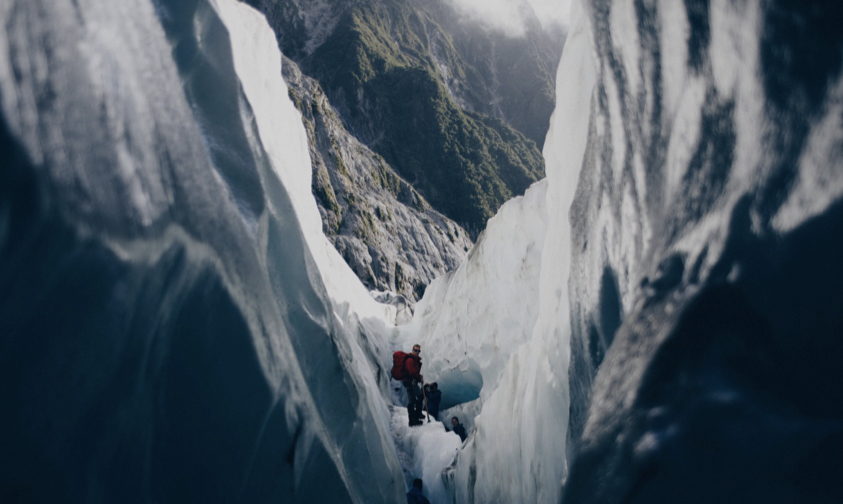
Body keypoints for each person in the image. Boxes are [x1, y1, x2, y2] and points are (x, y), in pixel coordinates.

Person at [403, 344, 424, 426]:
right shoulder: (410, 360)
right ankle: (412, 420)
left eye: (418, 351)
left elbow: (414, 372)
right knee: (412, 400)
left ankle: (418, 414)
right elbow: (412, 372)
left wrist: (419, 377)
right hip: (409, 382)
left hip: (413, 382)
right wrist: (419, 378)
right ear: (412, 350)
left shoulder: (415, 360)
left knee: (420, 396)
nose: (417, 352)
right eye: (415, 350)